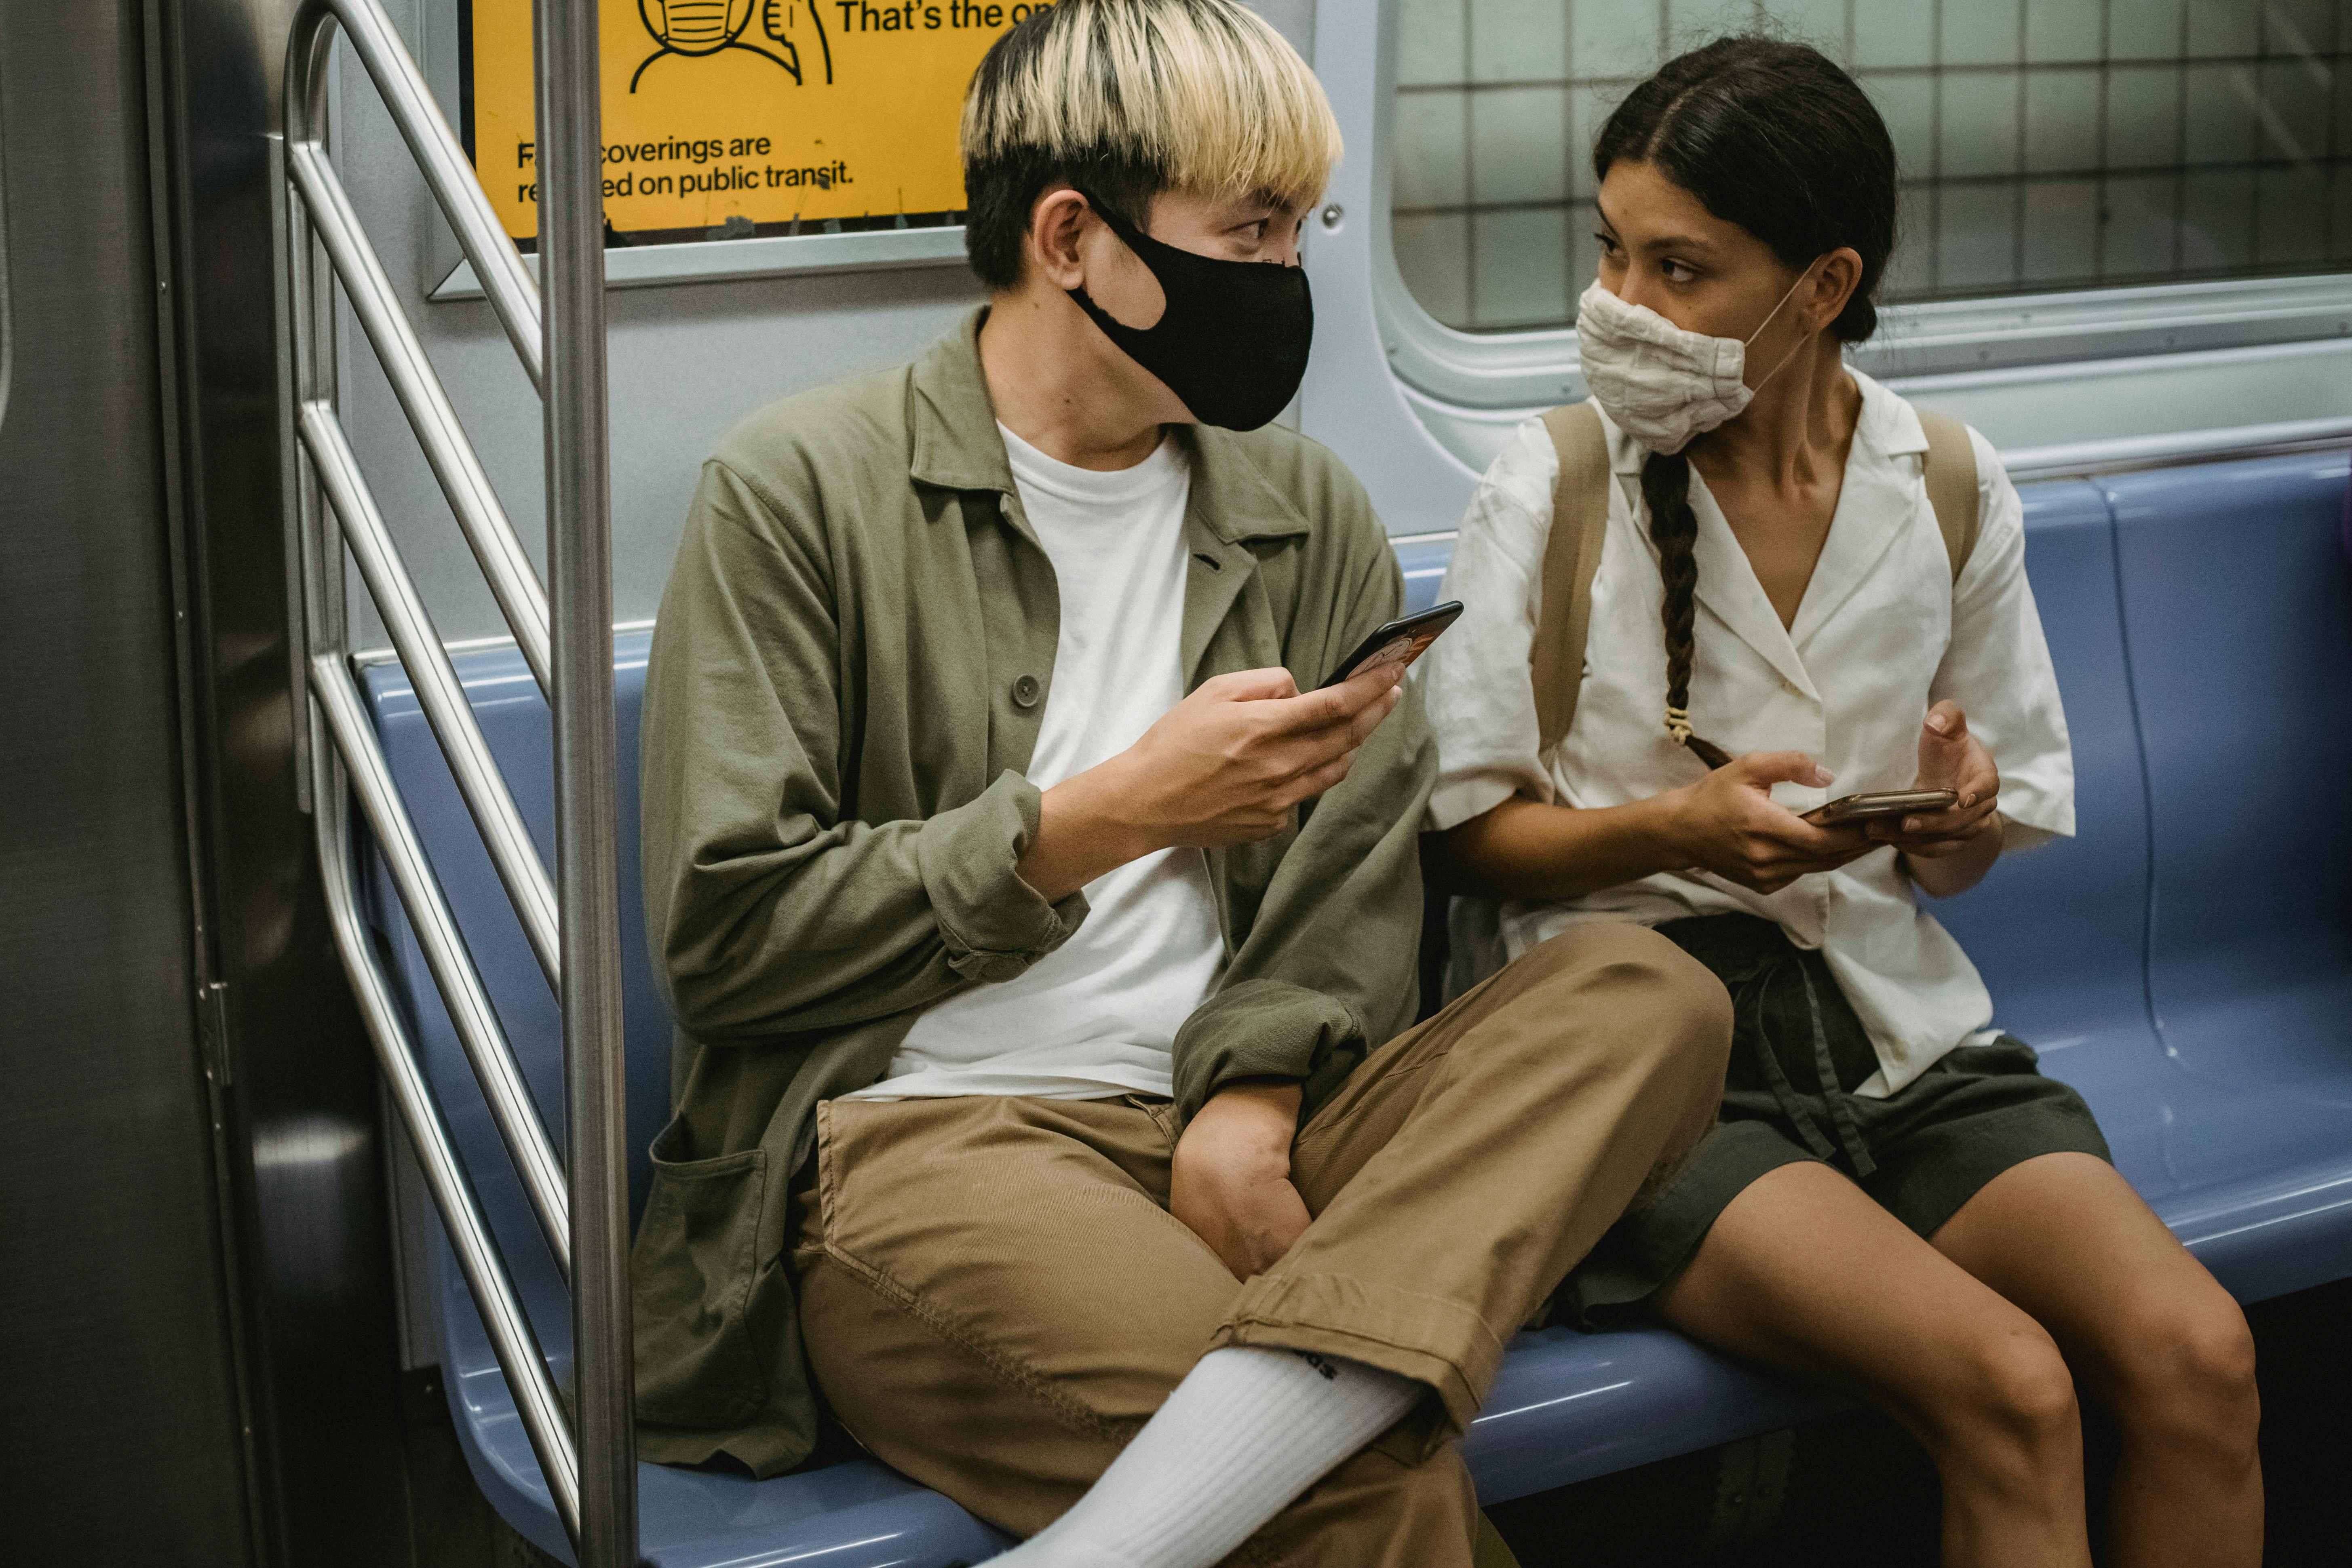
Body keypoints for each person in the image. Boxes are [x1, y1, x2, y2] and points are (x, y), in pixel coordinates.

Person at [629, 4, 1733, 1565]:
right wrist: (1117, 812)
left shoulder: (1298, 507)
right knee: (1368, 1492)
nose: (1284, 280)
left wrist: (1249, 1107)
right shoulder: (800, 490)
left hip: (1258, 1132)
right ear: (1073, 236)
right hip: (937, 1139)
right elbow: (727, 937)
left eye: (1298, 231)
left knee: (1644, 994)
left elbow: (1357, 889)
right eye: (1253, 230)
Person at [1418, 36, 2262, 1568]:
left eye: (1681, 268)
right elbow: (1471, 843)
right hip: (1640, 1061)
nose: (1623, 306)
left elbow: (1965, 857)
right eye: (1610, 252)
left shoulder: (1941, 478)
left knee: (2195, 1354)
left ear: (1820, 286)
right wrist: (1673, 833)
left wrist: (1955, 823)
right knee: (2010, 1388)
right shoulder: (1548, 484)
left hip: (1894, 1028)